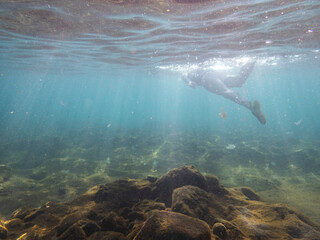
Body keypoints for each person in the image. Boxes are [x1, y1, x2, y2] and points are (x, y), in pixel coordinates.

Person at [182, 61, 266, 125]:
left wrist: (189, 82)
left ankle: (250, 105)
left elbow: (183, 75)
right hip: (214, 73)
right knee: (239, 81)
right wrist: (189, 81)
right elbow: (184, 75)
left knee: (225, 92)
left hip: (207, 78)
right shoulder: (195, 65)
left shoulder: (188, 68)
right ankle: (250, 61)